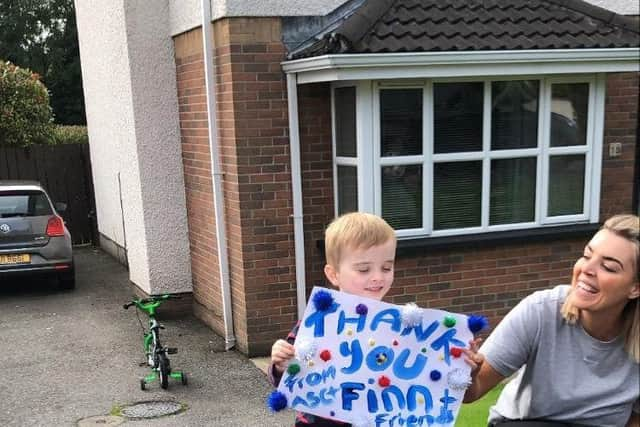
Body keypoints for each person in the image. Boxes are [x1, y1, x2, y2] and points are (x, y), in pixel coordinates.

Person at [463, 214, 640, 427]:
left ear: (635, 288)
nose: (586, 269)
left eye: (609, 267)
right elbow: (472, 392)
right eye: (586, 256)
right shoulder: (540, 310)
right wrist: (467, 374)